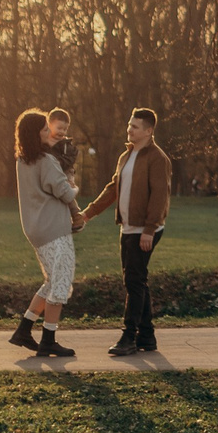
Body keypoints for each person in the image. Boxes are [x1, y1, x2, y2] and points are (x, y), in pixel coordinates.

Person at [77, 107, 170, 356]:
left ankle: (129, 337)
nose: (129, 129)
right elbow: (113, 188)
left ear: (149, 131)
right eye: (129, 125)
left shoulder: (157, 159)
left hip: (145, 229)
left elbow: (160, 197)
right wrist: (88, 212)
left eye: (135, 127)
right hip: (128, 228)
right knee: (136, 281)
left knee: (134, 281)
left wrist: (149, 230)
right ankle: (147, 336)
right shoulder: (125, 156)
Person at [10, 107, 85, 358]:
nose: (49, 132)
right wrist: (74, 189)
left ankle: (23, 330)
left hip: (35, 229)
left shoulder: (23, 160)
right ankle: (49, 339)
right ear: (35, 133)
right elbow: (63, 191)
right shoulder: (46, 161)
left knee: (52, 281)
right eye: (44, 129)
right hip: (53, 228)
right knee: (61, 282)